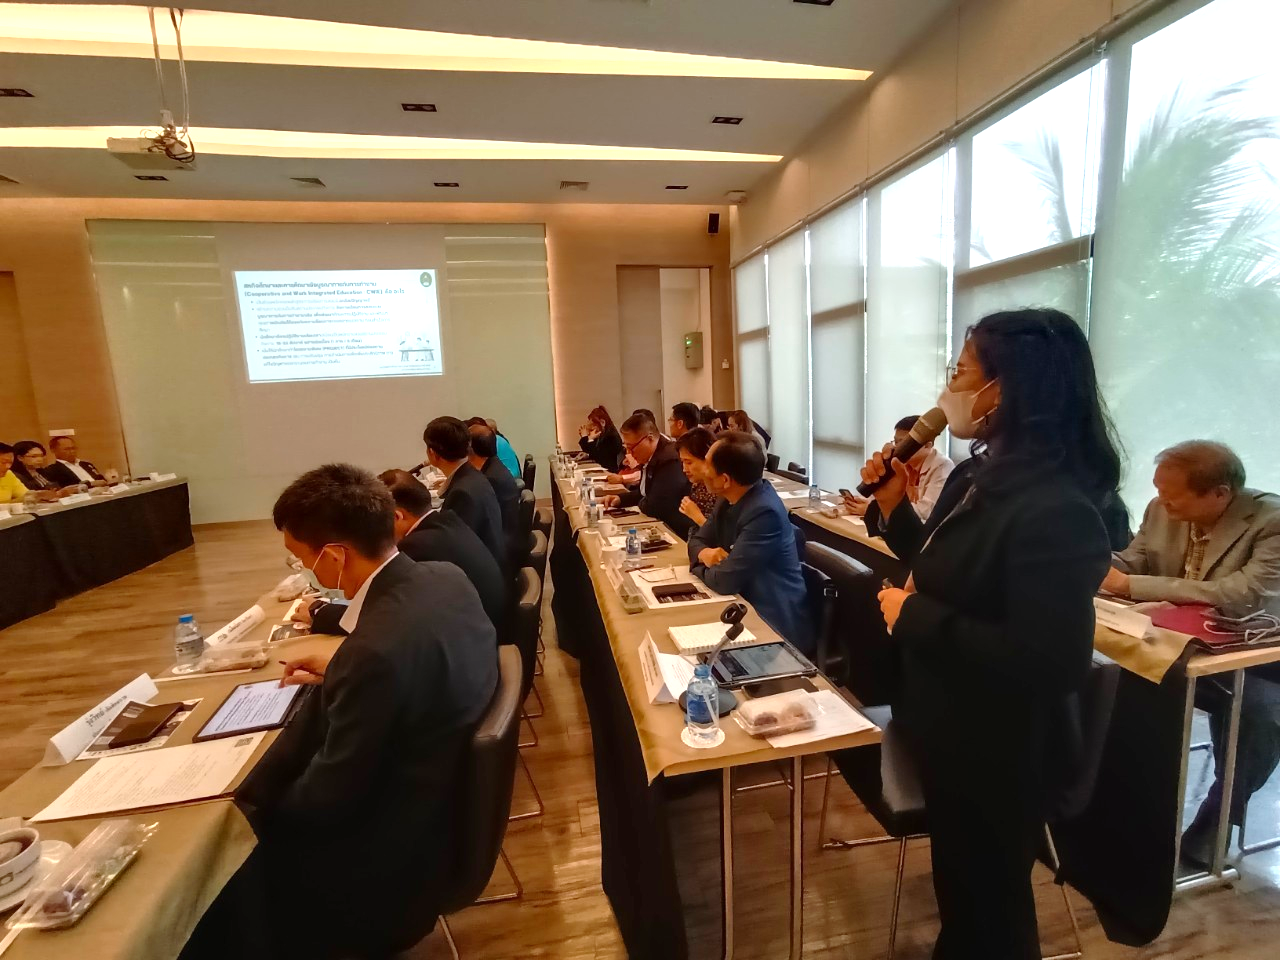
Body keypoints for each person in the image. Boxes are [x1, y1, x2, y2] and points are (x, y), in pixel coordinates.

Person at [863, 308, 1118, 959]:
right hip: (947, 722)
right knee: (963, 897)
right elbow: (940, 566)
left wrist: (913, 617)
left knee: (992, 910)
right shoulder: (979, 477)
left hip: (999, 747)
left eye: (961, 371)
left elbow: (1051, 660)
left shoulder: (1057, 507)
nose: (948, 387)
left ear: (1005, 389)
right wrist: (892, 506)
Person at [223, 463, 497, 960]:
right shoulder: (444, 578)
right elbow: (412, 670)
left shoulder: (375, 653)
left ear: (333, 556)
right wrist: (342, 671)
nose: (307, 571)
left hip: (387, 859)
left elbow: (327, 797)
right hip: (442, 809)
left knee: (232, 846)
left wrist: (254, 809)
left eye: (302, 559)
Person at [1102, 440, 1280, 868]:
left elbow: (1241, 595)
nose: (1161, 500)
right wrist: (1090, 564)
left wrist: (1132, 587)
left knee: (1257, 712)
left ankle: (1220, 816)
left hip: (1258, 653)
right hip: (1180, 648)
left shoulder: (1271, 523)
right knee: (1111, 679)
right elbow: (1134, 561)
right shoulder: (1161, 509)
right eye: (1157, 489)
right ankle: (1120, 806)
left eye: (1172, 494)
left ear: (1220, 493)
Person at [301, 469, 507, 633]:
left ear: (396, 516)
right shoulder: (446, 521)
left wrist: (318, 612)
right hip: (484, 629)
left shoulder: (417, 547)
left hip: (476, 639)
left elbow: (382, 619)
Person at [688, 431, 812, 651]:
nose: (702, 470)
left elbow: (724, 581)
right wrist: (703, 554)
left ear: (725, 480)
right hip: (741, 605)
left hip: (773, 623)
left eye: (707, 464)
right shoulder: (728, 499)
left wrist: (697, 564)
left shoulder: (764, 512)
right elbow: (696, 540)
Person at [423, 416, 505, 568]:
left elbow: (455, 549)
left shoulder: (462, 492)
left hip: (480, 573)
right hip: (490, 563)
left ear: (433, 453)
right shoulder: (472, 476)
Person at [847, 415, 956, 522]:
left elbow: (926, 512)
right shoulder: (900, 462)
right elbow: (884, 496)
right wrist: (867, 503)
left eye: (904, 443)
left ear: (927, 445)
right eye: (896, 442)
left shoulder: (942, 466)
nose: (897, 447)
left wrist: (877, 510)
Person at [601, 413, 693, 538]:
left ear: (649, 438)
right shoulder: (651, 455)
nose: (629, 453)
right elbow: (644, 493)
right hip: (659, 525)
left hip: (676, 532)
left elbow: (657, 505)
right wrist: (620, 499)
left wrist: (643, 502)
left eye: (632, 447)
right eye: (626, 447)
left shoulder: (670, 459)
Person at [467, 420, 522, 570]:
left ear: (470, 449)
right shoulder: (493, 466)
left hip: (500, 552)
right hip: (505, 540)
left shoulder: (491, 478)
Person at [675, 427, 719, 529]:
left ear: (707, 458)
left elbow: (721, 535)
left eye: (689, 462)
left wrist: (697, 516)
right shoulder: (697, 484)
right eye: (683, 462)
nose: (684, 469)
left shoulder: (721, 489)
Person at [9, 441, 74, 500]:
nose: (39, 459)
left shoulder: (42, 472)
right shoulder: (16, 476)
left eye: (41, 456)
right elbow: (29, 495)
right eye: (34, 456)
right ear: (20, 458)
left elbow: (54, 489)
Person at [41, 435, 107, 487]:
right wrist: (90, 484)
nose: (72, 451)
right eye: (67, 449)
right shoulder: (52, 470)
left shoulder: (86, 464)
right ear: (53, 450)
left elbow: (102, 479)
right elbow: (64, 487)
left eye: (73, 448)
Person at [578, 405, 624, 472]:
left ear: (602, 422)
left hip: (609, 471)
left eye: (594, 425)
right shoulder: (602, 435)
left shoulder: (611, 437)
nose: (592, 428)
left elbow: (601, 457)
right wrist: (588, 455)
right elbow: (594, 452)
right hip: (601, 469)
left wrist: (585, 437)